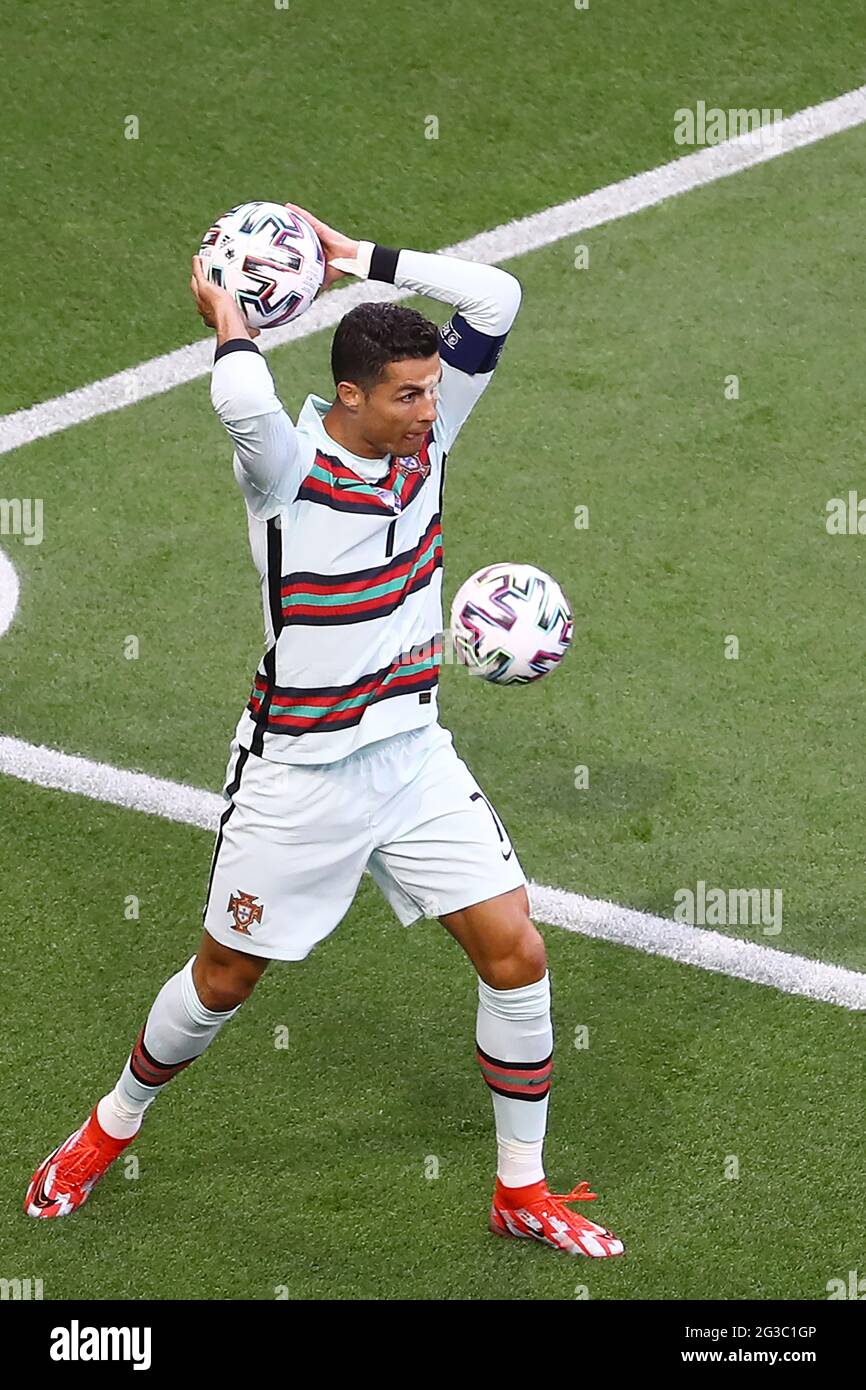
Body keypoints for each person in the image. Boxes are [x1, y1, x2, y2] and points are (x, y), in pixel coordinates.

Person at [25, 203, 623, 1259]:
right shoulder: (284, 472)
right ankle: (106, 1129)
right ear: (348, 395)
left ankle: (516, 1186)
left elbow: (497, 297)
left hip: (410, 756)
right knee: (224, 979)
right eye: (406, 395)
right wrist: (227, 312)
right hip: (295, 776)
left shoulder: (427, 439)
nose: (428, 409)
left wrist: (356, 258)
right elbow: (240, 392)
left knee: (515, 953)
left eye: (434, 389)